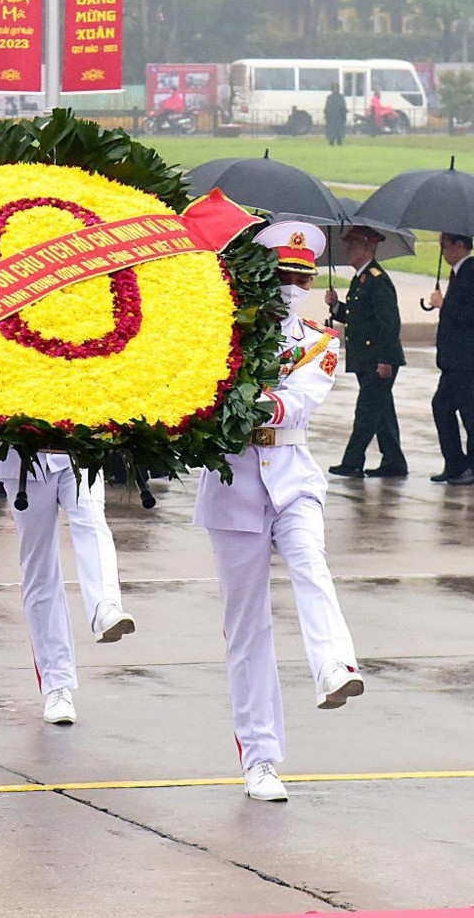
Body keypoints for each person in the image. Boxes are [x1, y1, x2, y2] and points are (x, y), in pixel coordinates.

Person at [196, 222, 362, 804]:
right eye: (282, 275)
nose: (291, 287)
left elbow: (295, 406)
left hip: (291, 475)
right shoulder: (219, 334)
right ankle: (260, 759)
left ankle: (334, 667)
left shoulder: (321, 340)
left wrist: (243, 398)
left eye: (301, 277)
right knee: (248, 629)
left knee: (311, 564)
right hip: (234, 485)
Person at [0, 450, 136, 726]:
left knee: (92, 521)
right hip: (25, 457)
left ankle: (106, 606)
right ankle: (57, 685)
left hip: (79, 449)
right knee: (40, 568)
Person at [326, 226, 406, 478]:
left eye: (353, 244)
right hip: (366, 359)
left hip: (378, 360)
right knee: (381, 412)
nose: (348, 249)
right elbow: (358, 317)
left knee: (367, 411)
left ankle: (352, 462)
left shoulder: (377, 280)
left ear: (367, 248)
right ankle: (394, 461)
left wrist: (385, 359)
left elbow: (390, 322)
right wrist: (337, 306)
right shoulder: (361, 279)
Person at [422, 233, 474, 487]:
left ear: (460, 246)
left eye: (445, 246)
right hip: (455, 360)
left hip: (470, 360)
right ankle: (456, 463)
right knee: (442, 406)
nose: (443, 252)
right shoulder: (459, 273)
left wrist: (444, 305)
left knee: (471, 416)